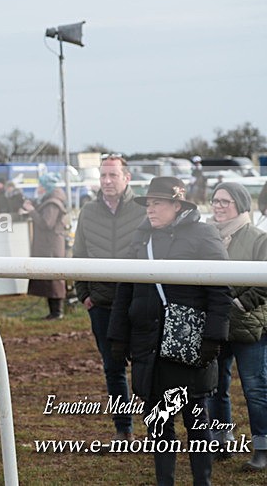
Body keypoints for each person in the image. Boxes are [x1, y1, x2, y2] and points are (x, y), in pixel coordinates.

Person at [108, 176, 232, 486]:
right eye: (148, 203)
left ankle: (202, 482)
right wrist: (118, 335)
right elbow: (126, 289)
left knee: (196, 422)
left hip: (187, 347)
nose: (150, 209)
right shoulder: (140, 238)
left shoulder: (204, 235)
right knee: (158, 424)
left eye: (158, 203)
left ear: (177, 205)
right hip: (148, 345)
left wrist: (213, 338)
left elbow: (221, 291)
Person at [72, 154, 145, 442]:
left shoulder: (143, 210)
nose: (107, 181)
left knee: (144, 366)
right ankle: (123, 429)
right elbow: (78, 254)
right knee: (112, 368)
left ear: (127, 177)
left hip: (137, 301)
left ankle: (156, 428)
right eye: (103, 175)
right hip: (101, 303)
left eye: (113, 175)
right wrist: (84, 294)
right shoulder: (88, 212)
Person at [206, 182, 267, 470]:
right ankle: (221, 438)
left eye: (225, 201)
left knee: (254, 387)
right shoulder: (206, 238)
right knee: (216, 386)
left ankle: (263, 446)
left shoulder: (258, 238)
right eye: (215, 200)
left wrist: (240, 304)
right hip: (217, 324)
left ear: (240, 205)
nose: (218, 206)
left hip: (249, 326)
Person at [22, 173, 68, 320]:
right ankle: (54, 312)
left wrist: (31, 211)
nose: (39, 188)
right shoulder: (51, 200)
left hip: (51, 246)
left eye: (41, 185)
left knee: (54, 279)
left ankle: (57, 312)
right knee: (49, 280)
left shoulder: (53, 202)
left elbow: (46, 223)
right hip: (49, 245)